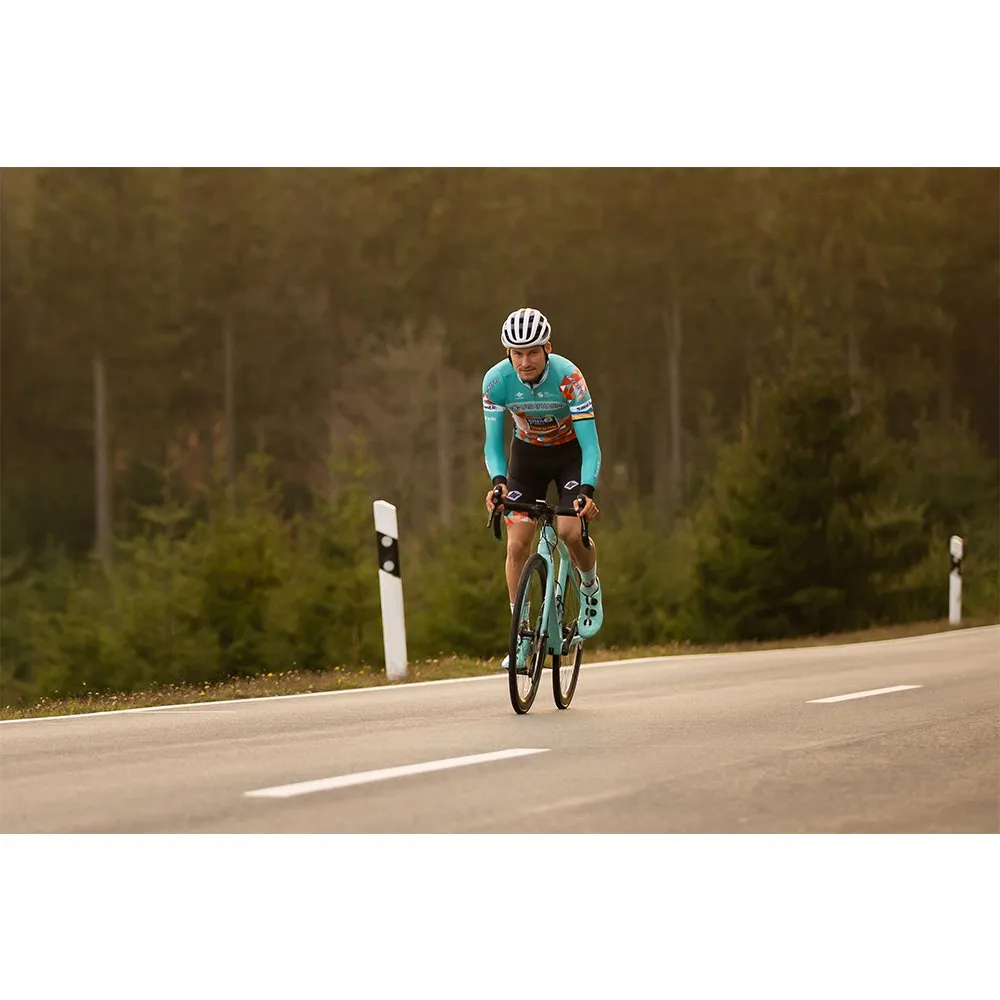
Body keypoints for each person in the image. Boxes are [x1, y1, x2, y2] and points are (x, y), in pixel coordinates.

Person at [482, 307, 603, 669]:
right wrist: (499, 484)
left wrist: (587, 491)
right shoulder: (496, 382)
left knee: (569, 531)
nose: (525, 362)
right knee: (517, 543)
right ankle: (521, 635)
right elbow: (492, 445)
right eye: (517, 353)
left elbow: (591, 447)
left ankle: (589, 585)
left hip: (570, 456)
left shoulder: (569, 378)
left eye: (533, 352)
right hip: (527, 459)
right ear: (508, 353)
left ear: (547, 348)